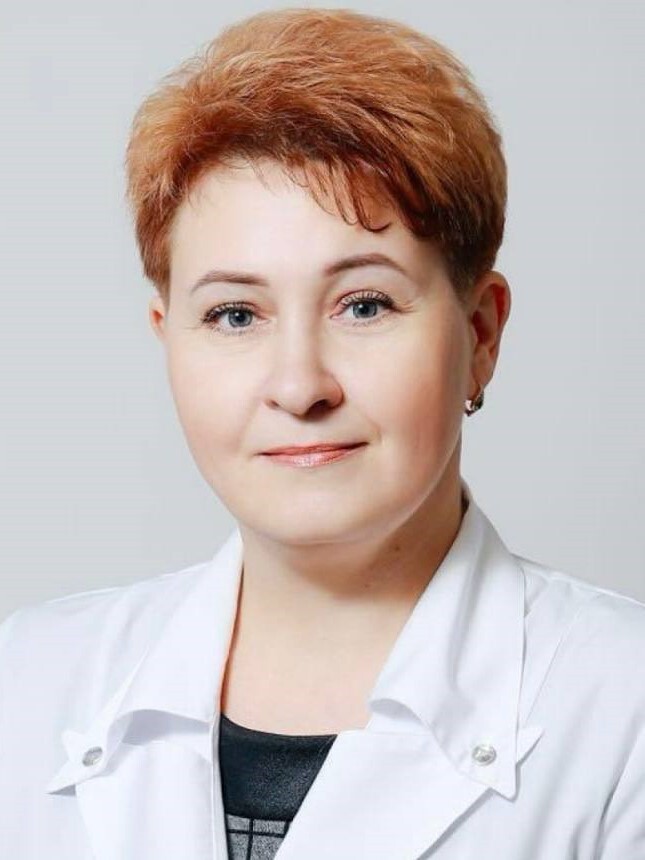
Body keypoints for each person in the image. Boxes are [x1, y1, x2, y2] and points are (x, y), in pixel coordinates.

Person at [1, 7, 644, 859]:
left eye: (364, 305)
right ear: (168, 339)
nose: (300, 386)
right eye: (235, 315)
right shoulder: (27, 681)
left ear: (480, 334)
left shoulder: (623, 711)